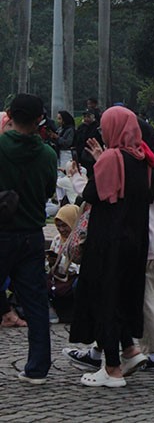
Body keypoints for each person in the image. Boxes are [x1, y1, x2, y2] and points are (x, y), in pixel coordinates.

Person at [65, 107, 153, 388]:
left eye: (105, 127)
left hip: (108, 240)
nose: (102, 132)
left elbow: (92, 194)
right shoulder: (142, 158)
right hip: (134, 239)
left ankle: (112, 368)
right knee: (121, 296)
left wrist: (86, 170)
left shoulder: (112, 158)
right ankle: (129, 349)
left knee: (105, 298)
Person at [0, 94, 58, 384]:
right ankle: (37, 367)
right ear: (39, 120)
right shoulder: (47, 154)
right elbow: (49, 189)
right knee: (35, 302)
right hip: (32, 234)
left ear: (10, 115)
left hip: (2, 231)